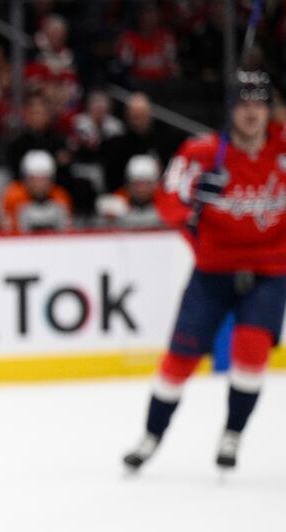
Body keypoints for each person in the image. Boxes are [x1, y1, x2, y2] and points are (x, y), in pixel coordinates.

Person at [123, 71, 286, 473]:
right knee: (180, 358)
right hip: (212, 272)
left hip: (269, 270)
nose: (251, 113)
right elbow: (167, 203)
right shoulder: (202, 152)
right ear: (231, 111)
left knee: (250, 351)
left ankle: (233, 433)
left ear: (270, 111)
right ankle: (151, 435)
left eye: (258, 104)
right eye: (243, 104)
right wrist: (194, 198)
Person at [1, 150, 72, 232]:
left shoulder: (61, 196)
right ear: (25, 179)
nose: (39, 184)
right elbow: (8, 231)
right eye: (34, 179)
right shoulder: (13, 196)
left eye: (44, 179)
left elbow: (67, 230)